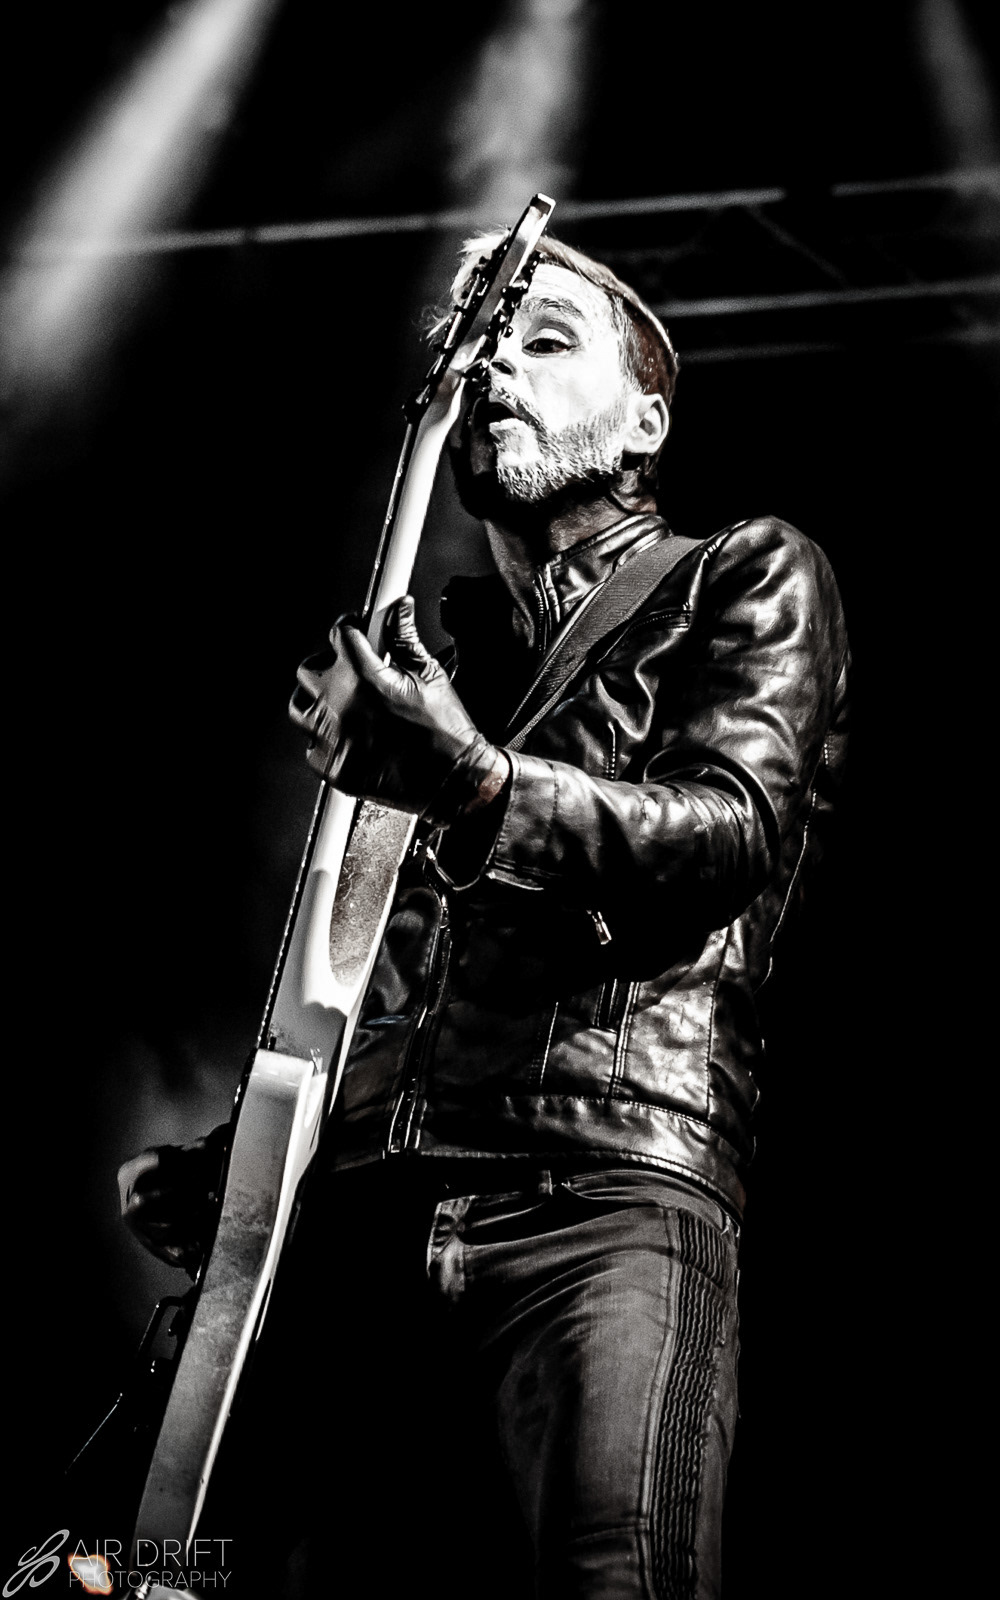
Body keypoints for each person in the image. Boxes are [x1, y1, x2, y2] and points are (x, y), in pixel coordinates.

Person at [121, 233, 849, 1599]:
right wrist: (249, 1162)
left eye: (547, 339)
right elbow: (393, 967)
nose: (498, 364)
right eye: (481, 345)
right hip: (371, 1221)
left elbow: (730, 833)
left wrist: (469, 779)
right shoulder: (439, 669)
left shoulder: (742, 572)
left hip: (602, 1188)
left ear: (646, 423)